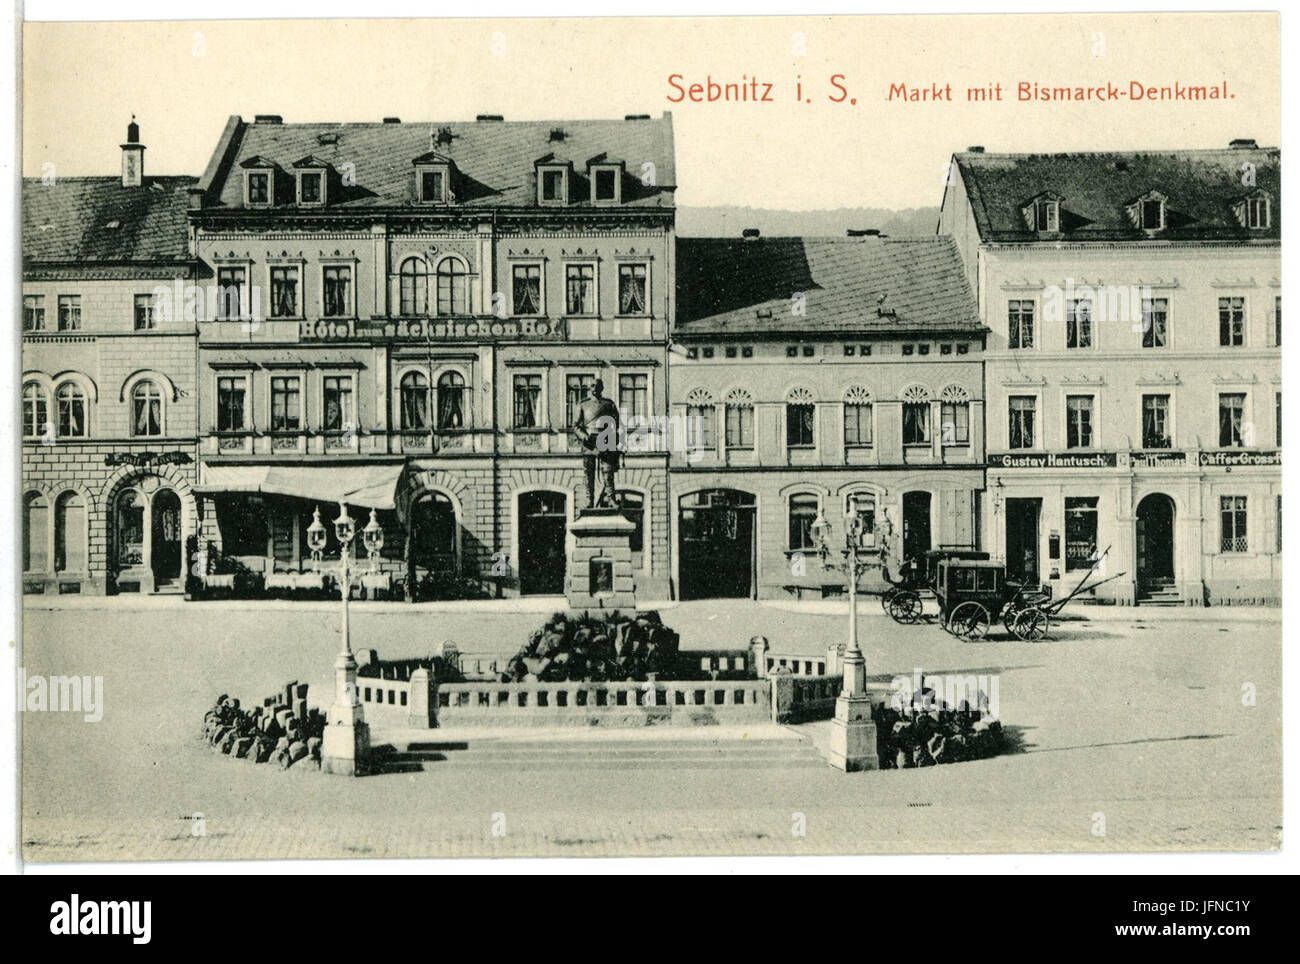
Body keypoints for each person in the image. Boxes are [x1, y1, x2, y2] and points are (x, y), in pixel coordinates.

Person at [572, 378, 622, 509]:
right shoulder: (583, 405)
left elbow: (616, 423)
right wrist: (584, 437)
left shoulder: (609, 404)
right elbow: (576, 426)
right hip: (589, 442)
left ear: (602, 388)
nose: (595, 388)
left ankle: (611, 498)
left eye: (597, 386)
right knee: (589, 472)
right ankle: (589, 500)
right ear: (589, 389)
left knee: (608, 471)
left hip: (605, 440)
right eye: (592, 386)